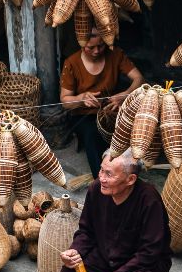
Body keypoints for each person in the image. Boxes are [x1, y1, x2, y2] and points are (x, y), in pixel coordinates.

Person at [53, 150, 172, 272]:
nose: (102, 178)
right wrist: (75, 250)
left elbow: (150, 252)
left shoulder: (149, 199)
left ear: (130, 179)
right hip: (107, 253)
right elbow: (86, 231)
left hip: (145, 262)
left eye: (109, 174)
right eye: (101, 171)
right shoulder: (96, 190)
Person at [59, 25, 145, 176]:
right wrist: (81, 98)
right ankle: (101, 178)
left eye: (101, 46)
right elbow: (65, 101)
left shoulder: (115, 54)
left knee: (131, 127)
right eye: (90, 47)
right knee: (92, 133)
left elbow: (139, 78)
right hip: (84, 115)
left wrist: (125, 94)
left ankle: (126, 174)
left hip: (110, 109)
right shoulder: (72, 63)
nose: (97, 51)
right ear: (81, 44)